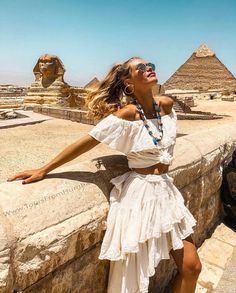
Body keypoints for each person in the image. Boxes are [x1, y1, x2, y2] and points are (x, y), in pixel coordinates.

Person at [7, 56, 202, 293]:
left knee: (192, 267)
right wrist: (44, 169)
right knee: (131, 279)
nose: (148, 68)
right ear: (129, 83)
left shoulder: (167, 105)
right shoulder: (126, 115)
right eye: (140, 67)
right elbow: (86, 142)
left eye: (150, 65)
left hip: (167, 192)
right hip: (140, 195)